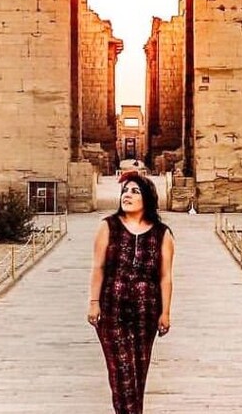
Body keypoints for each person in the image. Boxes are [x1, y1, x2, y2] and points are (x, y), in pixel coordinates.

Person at [88, 171, 175, 414]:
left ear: (147, 198)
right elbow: (99, 267)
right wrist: (93, 302)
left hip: (146, 312)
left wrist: (165, 312)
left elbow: (165, 276)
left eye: (135, 191)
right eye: (125, 191)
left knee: (138, 374)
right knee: (121, 374)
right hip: (112, 310)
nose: (127, 195)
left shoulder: (162, 233)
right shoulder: (108, 226)